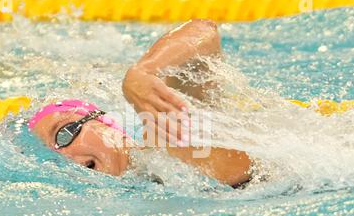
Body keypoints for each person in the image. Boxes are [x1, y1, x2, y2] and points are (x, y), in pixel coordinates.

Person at [28, 19, 252, 187]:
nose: (65, 158)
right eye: (52, 158)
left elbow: (203, 30)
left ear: (105, 121)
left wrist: (144, 72)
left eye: (64, 133)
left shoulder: (167, 142)